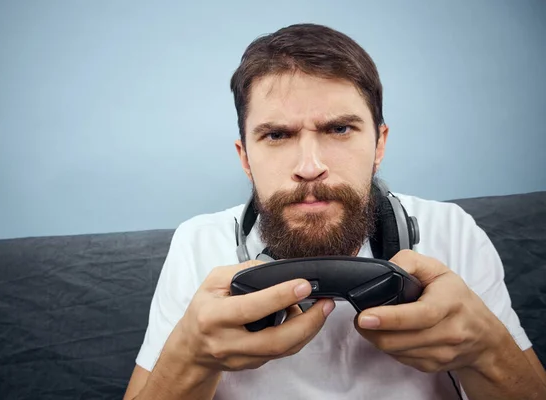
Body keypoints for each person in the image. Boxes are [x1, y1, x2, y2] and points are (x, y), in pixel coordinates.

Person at [123, 23, 546, 399]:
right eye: (275, 135)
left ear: (379, 144)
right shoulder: (197, 244)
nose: (310, 167)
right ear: (245, 157)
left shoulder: (453, 232)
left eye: (339, 129)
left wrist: (486, 349)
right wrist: (190, 357)